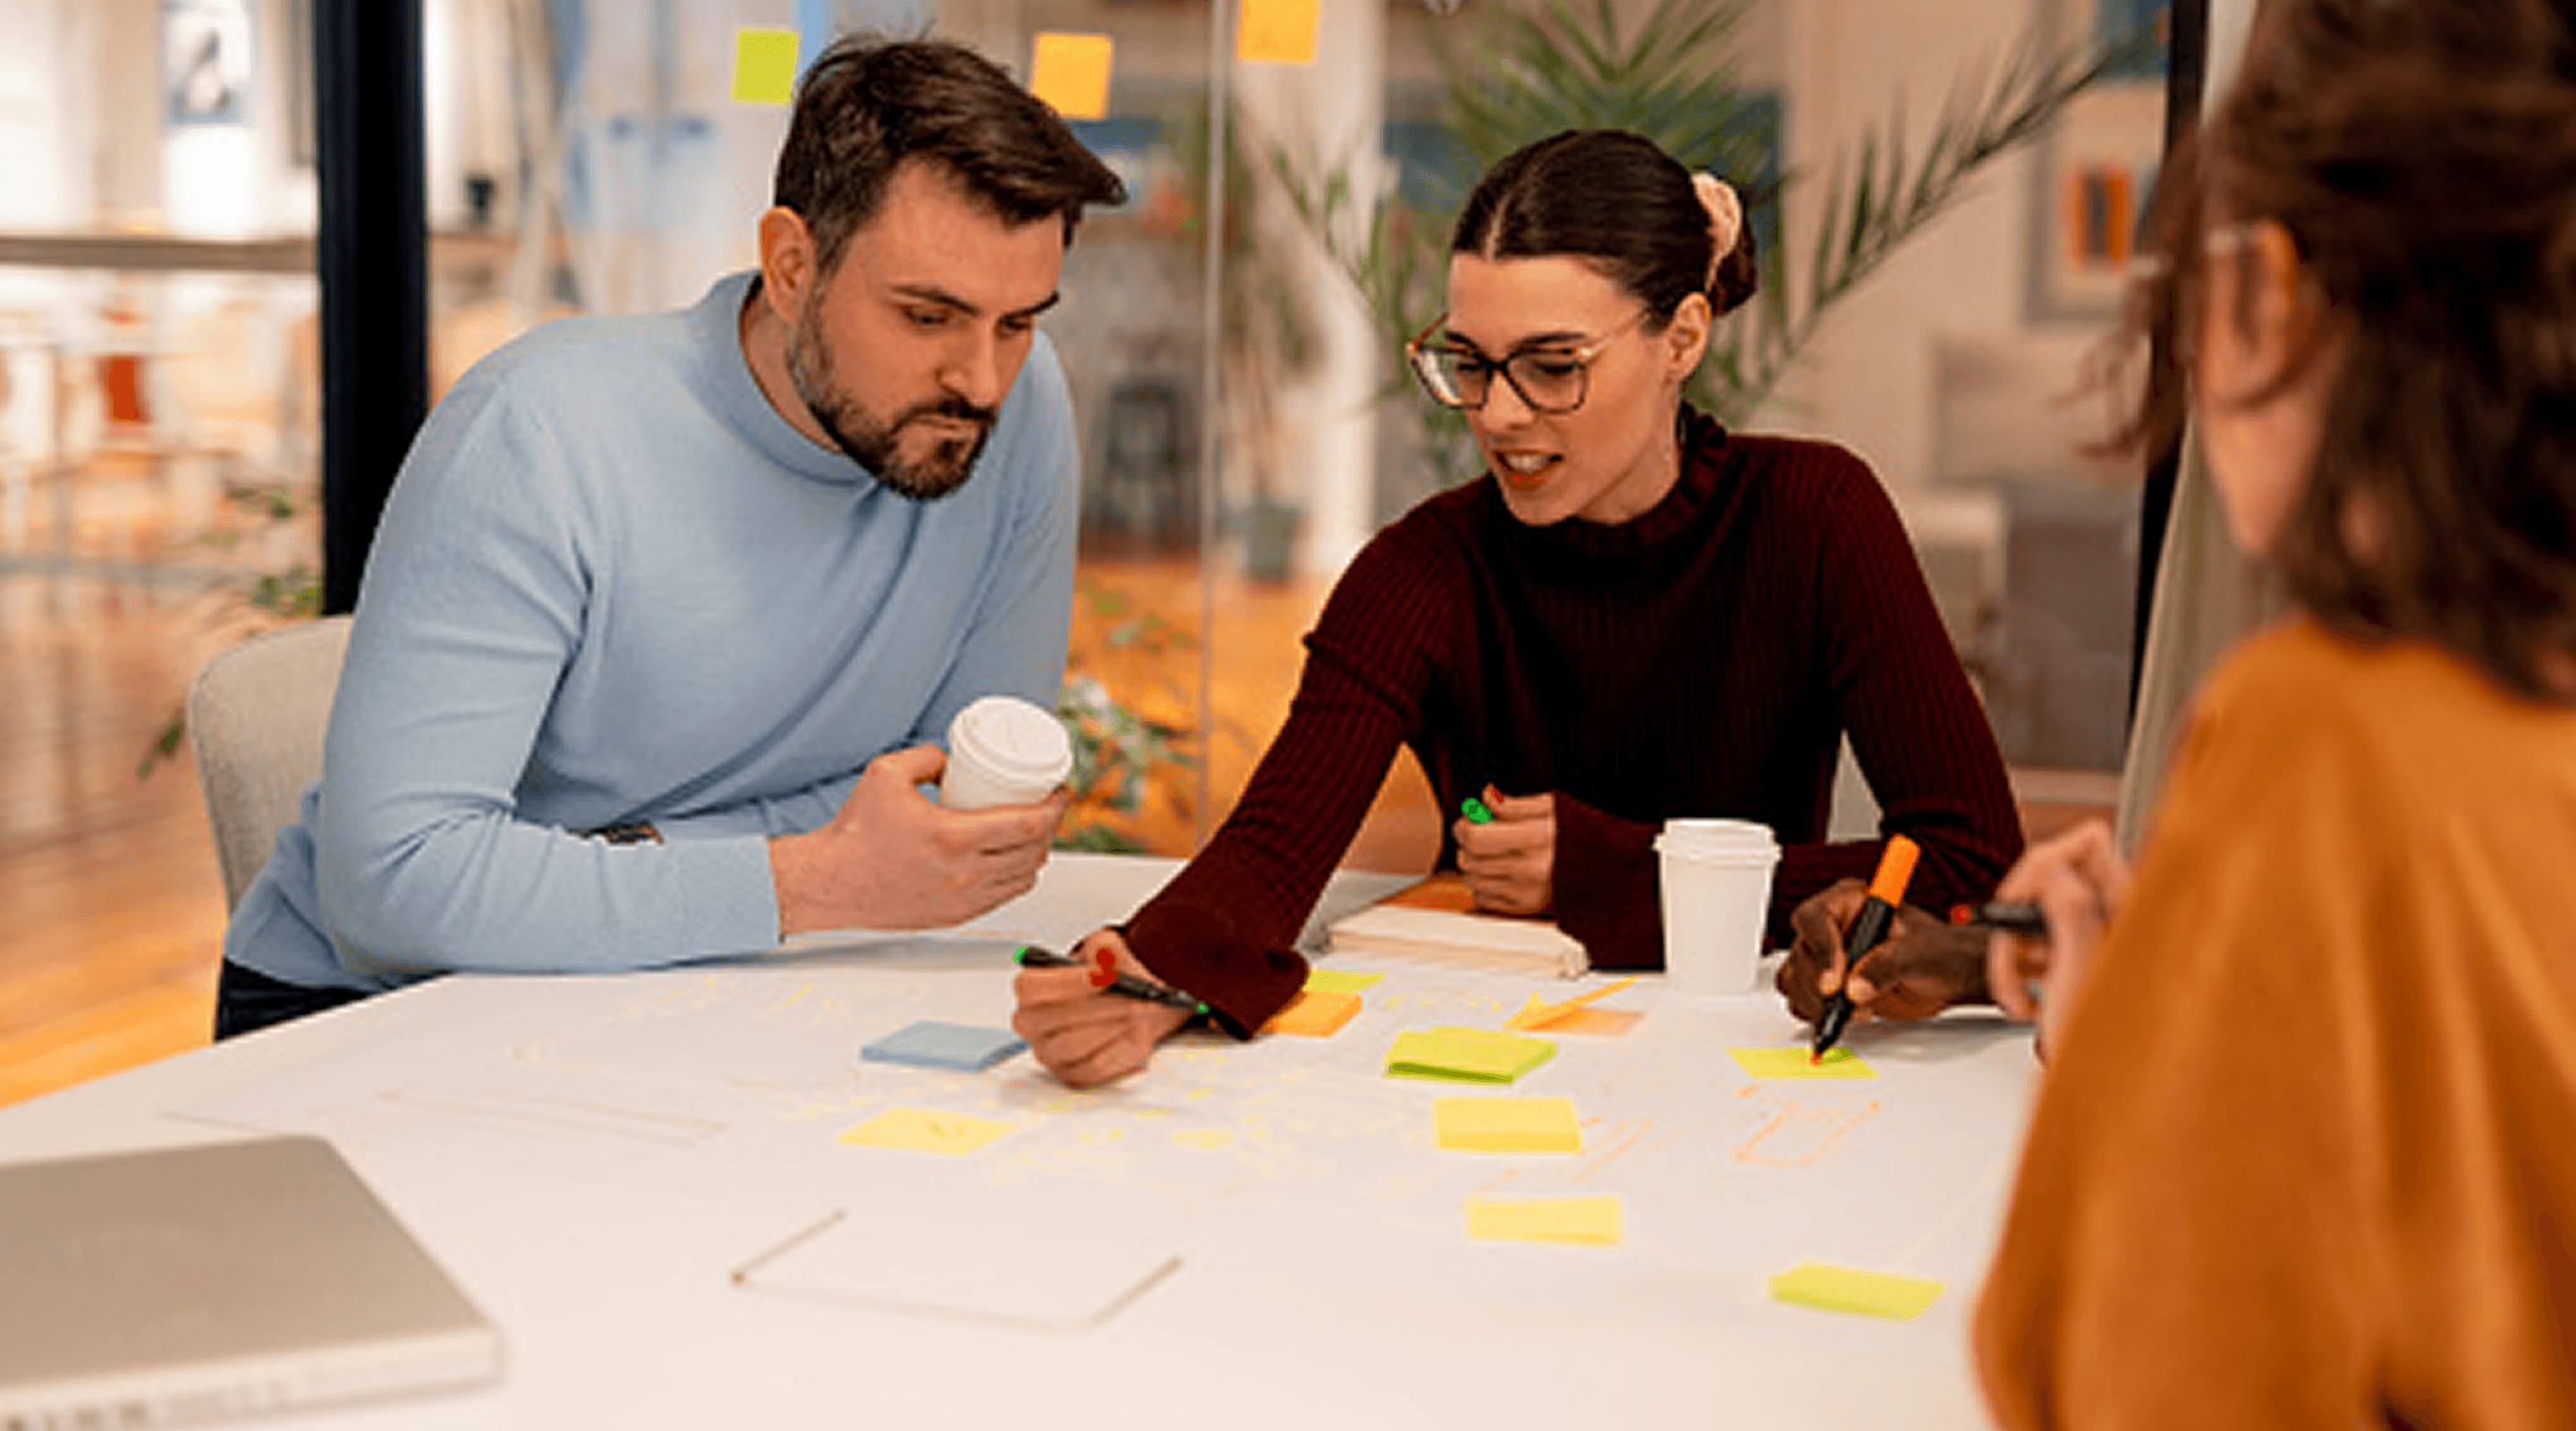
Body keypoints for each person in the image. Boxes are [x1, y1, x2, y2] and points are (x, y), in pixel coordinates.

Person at [1016, 129, 2023, 1087]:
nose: (1499, 414)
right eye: (1471, 361)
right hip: (1465, 1052)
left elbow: (1972, 863)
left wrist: (1614, 872)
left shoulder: (1815, 515)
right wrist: (1144, 976)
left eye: (1553, 366)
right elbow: (1271, 852)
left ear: (1682, 336)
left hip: (1739, 1057)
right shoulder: (1422, 569)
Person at [214, 36, 1126, 1037]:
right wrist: (808, 876)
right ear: (792, 267)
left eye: (1017, 323)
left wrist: (653, 859)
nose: (982, 381)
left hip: (718, 970)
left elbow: (964, 808)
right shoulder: (541, 434)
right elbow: (395, 885)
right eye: (927, 316)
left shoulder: (1017, 411)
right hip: (372, 1007)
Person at [1971, 0, 2576, 1421]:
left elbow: (2137, 1379)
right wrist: (2199, 993)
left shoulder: (2326, 739)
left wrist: (2130, 1058)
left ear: (2265, 293)